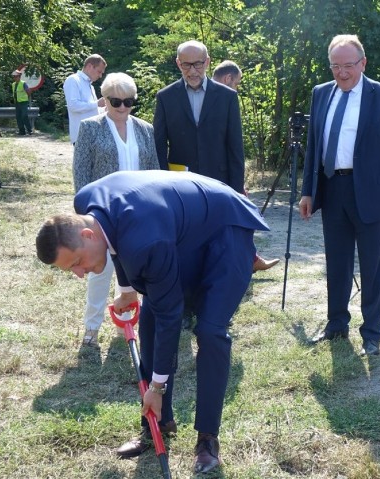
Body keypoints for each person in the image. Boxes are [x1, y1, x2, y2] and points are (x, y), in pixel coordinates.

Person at [36, 170, 269, 473]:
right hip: (180, 227)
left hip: (226, 229)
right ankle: (158, 424)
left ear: (86, 235)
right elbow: (115, 236)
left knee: (210, 330)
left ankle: (207, 440)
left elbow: (170, 314)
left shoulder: (145, 242)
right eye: (71, 269)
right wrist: (127, 289)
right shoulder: (86, 203)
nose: (80, 273)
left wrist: (156, 387)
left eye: (77, 262)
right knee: (148, 317)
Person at [299, 34, 380, 356]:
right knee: (336, 263)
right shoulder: (321, 94)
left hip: (372, 193)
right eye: (335, 66)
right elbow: (314, 148)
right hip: (332, 188)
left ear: (363, 63)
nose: (341, 73)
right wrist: (308, 191)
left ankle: (372, 333)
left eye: (348, 66)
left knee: (373, 266)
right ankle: (336, 324)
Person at [72, 72, 161, 347]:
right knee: (101, 269)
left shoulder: (146, 129)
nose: (122, 107)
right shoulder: (90, 127)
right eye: (115, 101)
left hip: (140, 213)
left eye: (129, 101)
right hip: (104, 213)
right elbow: (81, 172)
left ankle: (138, 326)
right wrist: (86, 214)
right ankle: (92, 328)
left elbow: (156, 172)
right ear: (104, 100)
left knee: (143, 270)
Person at [210, 60, 280, 272]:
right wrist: (236, 182)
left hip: (220, 173)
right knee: (242, 216)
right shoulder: (220, 98)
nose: (237, 87)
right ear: (228, 78)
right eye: (237, 82)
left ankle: (252, 258)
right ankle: (250, 260)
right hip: (218, 174)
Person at [153, 40, 245, 195]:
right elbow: (159, 146)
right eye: (186, 65)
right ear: (178, 63)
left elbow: (235, 147)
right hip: (179, 185)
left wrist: (236, 192)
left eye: (198, 64)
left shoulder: (227, 97)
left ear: (207, 62)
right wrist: (163, 186)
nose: (192, 71)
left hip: (219, 183)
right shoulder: (165, 97)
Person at [63, 54, 107, 144]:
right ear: (89, 66)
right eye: (99, 72)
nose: (100, 76)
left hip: (93, 134)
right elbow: (73, 106)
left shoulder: (90, 86)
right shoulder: (73, 80)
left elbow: (92, 110)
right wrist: (97, 103)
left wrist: (105, 109)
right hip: (81, 136)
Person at [11, 70, 33, 135]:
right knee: (18, 117)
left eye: (16, 76)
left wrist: (26, 98)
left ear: (19, 76)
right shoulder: (13, 84)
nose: (15, 78)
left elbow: (28, 92)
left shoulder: (23, 83)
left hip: (23, 102)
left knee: (24, 116)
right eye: (14, 76)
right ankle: (22, 131)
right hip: (17, 102)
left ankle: (29, 130)